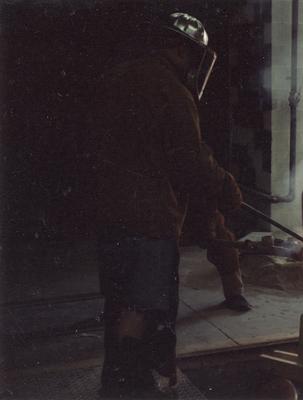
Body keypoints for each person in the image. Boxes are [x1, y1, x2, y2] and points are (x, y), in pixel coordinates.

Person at [89, 12, 243, 398]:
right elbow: (190, 158)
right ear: (182, 50)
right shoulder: (170, 90)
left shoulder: (115, 78)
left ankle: (117, 381)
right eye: (193, 56)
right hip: (148, 218)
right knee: (142, 306)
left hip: (109, 214)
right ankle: (131, 387)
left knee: (120, 302)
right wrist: (226, 187)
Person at [182, 170, 252, 312]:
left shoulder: (200, 158)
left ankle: (234, 294)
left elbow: (230, 194)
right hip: (167, 207)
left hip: (201, 207)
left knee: (224, 242)